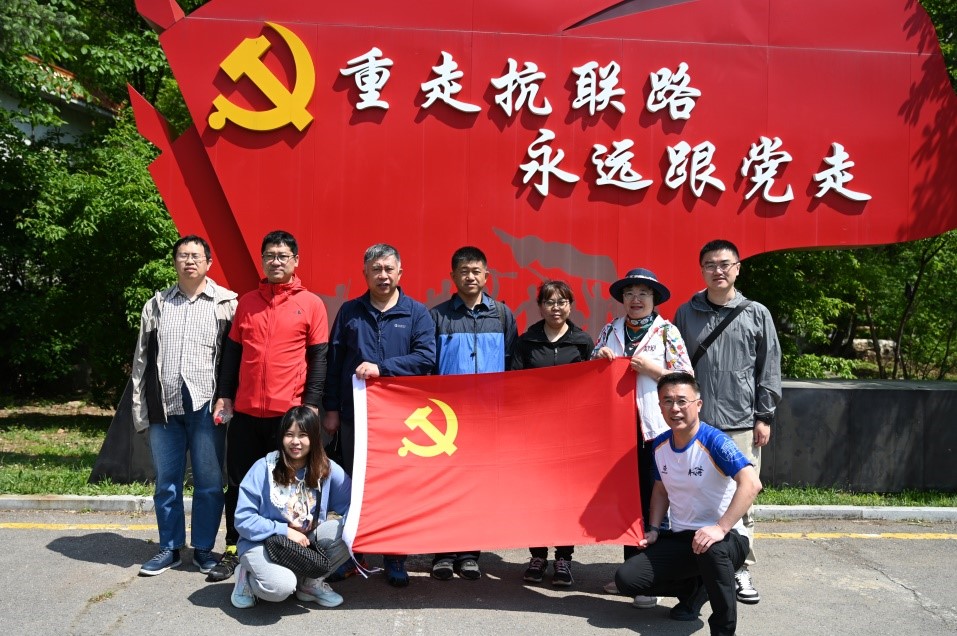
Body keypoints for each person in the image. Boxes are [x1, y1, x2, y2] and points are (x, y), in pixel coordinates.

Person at [210, 230, 329, 582]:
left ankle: (288, 549)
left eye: (282, 256)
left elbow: (319, 358)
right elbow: (232, 355)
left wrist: (311, 405)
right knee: (238, 484)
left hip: (287, 417)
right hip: (246, 413)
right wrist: (225, 394)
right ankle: (234, 547)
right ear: (262, 260)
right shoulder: (247, 303)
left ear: (295, 261)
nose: (275, 261)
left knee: (287, 486)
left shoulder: (311, 304)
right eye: (269, 256)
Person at [673, 239, 782, 605]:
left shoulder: (756, 313)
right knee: (693, 496)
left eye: (724, 264)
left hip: (740, 423)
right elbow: (676, 366)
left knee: (742, 499)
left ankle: (740, 568)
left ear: (737, 268)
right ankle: (693, 570)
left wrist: (764, 416)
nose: (717, 270)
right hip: (697, 425)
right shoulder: (686, 313)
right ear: (701, 269)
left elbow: (769, 367)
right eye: (710, 265)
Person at [322, 243, 436, 587]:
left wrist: (382, 368)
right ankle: (353, 554)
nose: (383, 275)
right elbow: (334, 362)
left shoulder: (417, 313)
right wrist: (331, 409)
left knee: (396, 486)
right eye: (376, 269)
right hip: (355, 417)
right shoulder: (350, 312)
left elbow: (426, 358)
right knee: (354, 487)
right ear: (365, 274)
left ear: (400, 273)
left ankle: (395, 556)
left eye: (388, 269)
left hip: (400, 419)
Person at [614, 372, 762, 636]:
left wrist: (720, 528)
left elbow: (751, 484)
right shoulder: (660, 445)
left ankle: (723, 630)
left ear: (698, 404)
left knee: (711, 550)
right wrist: (654, 529)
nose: (675, 408)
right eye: (667, 401)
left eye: (682, 401)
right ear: (659, 407)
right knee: (627, 578)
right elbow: (660, 490)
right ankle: (697, 588)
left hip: (726, 539)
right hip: (684, 538)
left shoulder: (716, 441)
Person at [132, 235, 237, 576]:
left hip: (207, 406)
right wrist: (139, 407)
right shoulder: (157, 304)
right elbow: (141, 360)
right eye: (182, 255)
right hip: (164, 405)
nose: (189, 261)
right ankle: (170, 548)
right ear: (175, 262)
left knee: (209, 482)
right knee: (166, 482)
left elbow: (235, 359)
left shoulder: (226, 303)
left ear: (209, 262)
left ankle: (204, 549)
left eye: (196, 256)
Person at [591, 268, 693, 608]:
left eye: (643, 294)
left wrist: (654, 371)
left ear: (654, 299)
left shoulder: (667, 332)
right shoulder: (610, 330)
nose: (636, 299)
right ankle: (631, 575)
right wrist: (599, 359)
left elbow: (686, 379)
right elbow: (590, 370)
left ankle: (655, 578)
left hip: (655, 430)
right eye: (630, 293)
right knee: (627, 502)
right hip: (617, 431)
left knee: (656, 502)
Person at [429, 246, 518, 582]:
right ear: (452, 276)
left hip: (487, 417)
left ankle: (469, 553)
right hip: (447, 419)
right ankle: (442, 552)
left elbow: (512, 364)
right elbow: (428, 366)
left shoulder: (503, 316)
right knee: (445, 484)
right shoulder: (437, 316)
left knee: (476, 486)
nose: (470, 277)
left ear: (487, 276)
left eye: (476, 271)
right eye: (464, 271)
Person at [512, 280, 594, 587]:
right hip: (535, 432)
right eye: (549, 302)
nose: (556, 308)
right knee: (536, 494)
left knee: (566, 496)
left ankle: (563, 557)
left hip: (570, 434)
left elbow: (593, 385)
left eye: (562, 302)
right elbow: (514, 384)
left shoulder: (583, 342)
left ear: (570, 306)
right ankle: (537, 556)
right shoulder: (527, 341)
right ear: (540, 306)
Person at [230, 406, 352, 609]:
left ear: (314, 437)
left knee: (350, 530)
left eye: (302, 435)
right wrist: (284, 531)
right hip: (262, 543)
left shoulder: (327, 469)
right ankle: (246, 577)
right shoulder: (263, 468)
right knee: (280, 588)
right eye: (289, 435)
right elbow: (243, 519)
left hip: (303, 544)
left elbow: (354, 505)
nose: (295, 441)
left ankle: (309, 585)